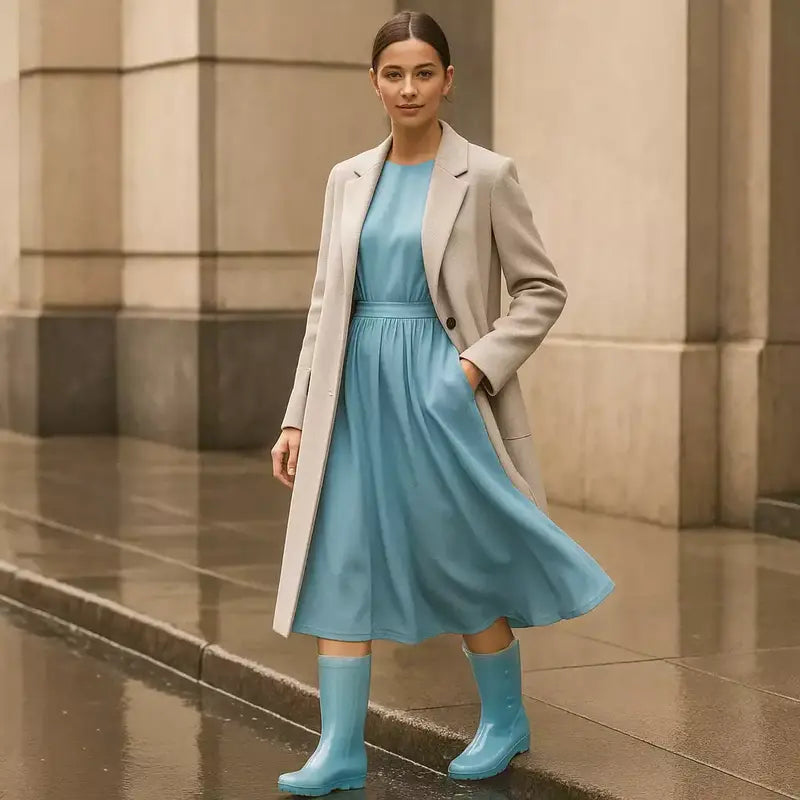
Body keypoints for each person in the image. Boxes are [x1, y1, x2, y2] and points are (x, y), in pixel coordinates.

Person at [270, 10, 615, 796]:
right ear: (374, 83)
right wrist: (296, 414)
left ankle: (504, 720)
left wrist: (472, 368)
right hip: (353, 394)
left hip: (437, 394)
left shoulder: (486, 174)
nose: (408, 87)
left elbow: (541, 289)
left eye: (424, 72)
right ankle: (339, 749)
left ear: (448, 80)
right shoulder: (348, 177)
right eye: (393, 74)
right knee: (340, 553)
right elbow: (326, 306)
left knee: (457, 553)